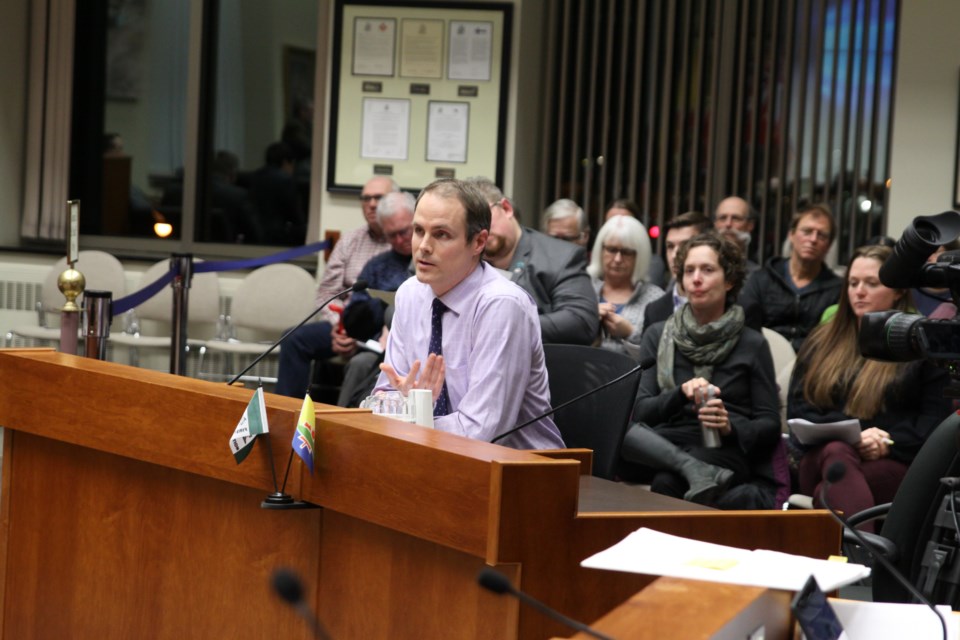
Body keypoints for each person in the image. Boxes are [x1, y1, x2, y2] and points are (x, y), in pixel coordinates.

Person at [375, 178, 564, 450]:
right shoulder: (410, 293)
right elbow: (382, 396)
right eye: (418, 230)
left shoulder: (502, 306)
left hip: (518, 472)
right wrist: (407, 408)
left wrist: (415, 417)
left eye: (441, 234)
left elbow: (481, 430)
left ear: (478, 242)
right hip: (431, 457)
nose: (423, 246)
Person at [788, 244, 953, 530]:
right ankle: (862, 565)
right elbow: (800, 411)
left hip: (890, 458)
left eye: (871, 283)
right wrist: (858, 436)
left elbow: (932, 426)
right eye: (853, 283)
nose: (859, 291)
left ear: (899, 289)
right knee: (837, 451)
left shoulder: (921, 343)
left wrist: (886, 442)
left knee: (828, 491)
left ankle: (849, 560)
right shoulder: (820, 340)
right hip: (819, 457)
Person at [620, 232, 781, 506]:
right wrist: (680, 394)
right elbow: (642, 410)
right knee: (616, 431)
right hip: (665, 443)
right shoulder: (658, 335)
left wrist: (730, 425)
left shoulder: (751, 343)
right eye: (689, 271)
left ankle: (691, 474)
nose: (696, 278)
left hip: (723, 448)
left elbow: (770, 425)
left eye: (707, 270)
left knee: (666, 482)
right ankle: (690, 468)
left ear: (729, 280)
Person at [274, 176, 396, 397]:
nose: (371, 204)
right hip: (343, 323)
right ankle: (287, 417)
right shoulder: (350, 241)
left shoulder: (403, 241)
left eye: (378, 197)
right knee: (293, 338)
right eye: (365, 198)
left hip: (382, 330)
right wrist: (340, 328)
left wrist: (358, 331)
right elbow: (327, 292)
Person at [466, 177, 599, 345]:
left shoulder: (560, 256)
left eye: (484, 218)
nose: (480, 230)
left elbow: (581, 321)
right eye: (470, 226)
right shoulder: (465, 261)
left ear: (506, 208)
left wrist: (506, 325)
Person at [739, 204, 842, 351]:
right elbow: (746, 328)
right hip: (763, 359)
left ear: (829, 244)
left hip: (811, 363)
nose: (813, 239)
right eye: (807, 231)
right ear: (791, 235)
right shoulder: (762, 279)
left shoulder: (837, 289)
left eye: (822, 235)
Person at [587, 215, 663, 357]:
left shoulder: (656, 298)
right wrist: (588, 318)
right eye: (611, 249)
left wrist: (630, 333)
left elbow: (661, 356)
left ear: (639, 256)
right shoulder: (583, 288)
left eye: (627, 252)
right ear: (600, 250)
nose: (617, 259)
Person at [643, 211, 712, 328]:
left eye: (685, 245)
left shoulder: (728, 306)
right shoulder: (654, 310)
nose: (675, 255)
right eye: (670, 246)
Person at [248, 142, 305, 245]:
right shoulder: (286, 181)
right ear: (286, 162)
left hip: (254, 234)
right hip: (278, 237)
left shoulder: (254, 177)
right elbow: (295, 215)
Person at [604, 199, 666, 287]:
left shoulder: (652, 263)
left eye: (626, 224)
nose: (617, 228)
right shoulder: (596, 259)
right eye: (611, 223)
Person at [713, 196, 760, 274]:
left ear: (750, 225)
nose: (728, 224)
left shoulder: (757, 275)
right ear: (715, 223)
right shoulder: (697, 267)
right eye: (723, 218)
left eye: (736, 218)